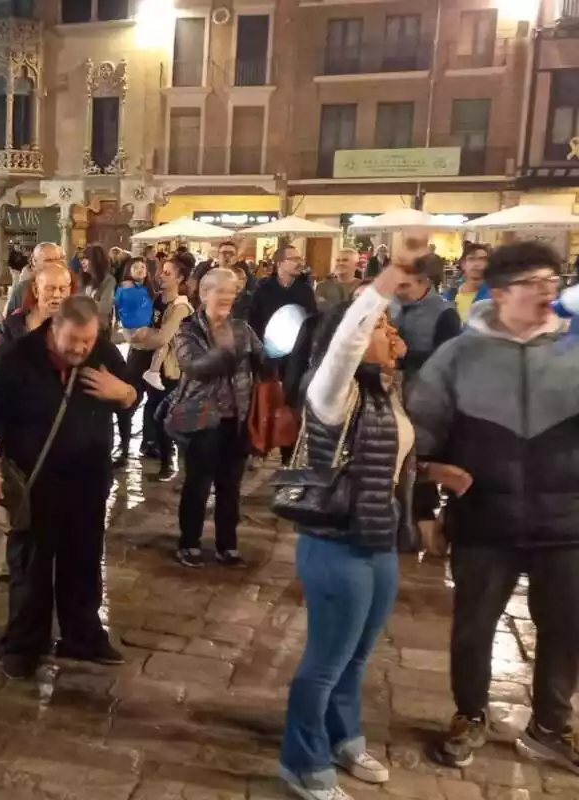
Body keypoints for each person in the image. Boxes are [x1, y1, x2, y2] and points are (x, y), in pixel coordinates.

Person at [408, 240, 579, 775]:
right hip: (484, 519)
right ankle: (470, 715)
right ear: (501, 293)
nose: (548, 292)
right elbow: (420, 434)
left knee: (566, 626)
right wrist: (424, 502)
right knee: (474, 625)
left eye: (554, 281)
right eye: (534, 283)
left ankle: (550, 726)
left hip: (567, 521)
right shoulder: (459, 355)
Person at [278, 264, 414, 800]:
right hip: (335, 544)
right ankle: (302, 761)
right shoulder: (332, 390)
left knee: (359, 655)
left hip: (378, 538)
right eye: (385, 327)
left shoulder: (383, 391)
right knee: (325, 661)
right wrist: (380, 287)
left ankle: (343, 737)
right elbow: (348, 340)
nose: (393, 333)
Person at [0, 295, 136, 679]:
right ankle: (23, 644)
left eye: (88, 341)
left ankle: (83, 636)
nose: (80, 349)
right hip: (34, 482)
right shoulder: (16, 358)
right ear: (53, 328)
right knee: (31, 566)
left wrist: (121, 393)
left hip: (89, 479)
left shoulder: (104, 353)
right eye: (73, 341)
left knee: (84, 561)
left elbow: (131, 396)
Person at [0, 260, 74, 603]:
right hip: (11, 431)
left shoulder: (77, 327)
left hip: (57, 437)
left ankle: (37, 573)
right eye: (51, 288)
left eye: (63, 288)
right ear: (36, 291)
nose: (57, 295)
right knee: (5, 507)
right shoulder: (15, 326)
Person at [173, 267, 264, 569]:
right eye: (221, 291)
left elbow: (264, 358)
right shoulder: (188, 330)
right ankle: (189, 542)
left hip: (236, 418)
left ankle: (228, 545)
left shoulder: (241, 328)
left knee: (231, 486)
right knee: (197, 485)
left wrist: (277, 352)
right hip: (202, 420)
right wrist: (224, 353)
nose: (228, 297)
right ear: (204, 293)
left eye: (232, 292)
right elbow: (193, 365)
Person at [130, 256, 194, 481]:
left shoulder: (181, 307)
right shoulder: (157, 300)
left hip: (171, 370)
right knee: (155, 412)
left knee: (167, 416)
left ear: (180, 278)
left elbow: (163, 337)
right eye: (162, 271)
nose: (161, 276)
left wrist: (139, 340)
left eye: (168, 273)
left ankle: (171, 465)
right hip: (152, 366)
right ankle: (161, 457)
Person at [112, 256, 156, 466]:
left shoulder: (150, 289)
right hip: (138, 348)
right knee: (131, 399)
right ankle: (124, 446)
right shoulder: (125, 289)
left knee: (153, 400)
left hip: (153, 348)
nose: (139, 269)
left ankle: (149, 443)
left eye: (143, 267)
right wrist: (129, 332)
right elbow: (122, 313)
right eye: (135, 267)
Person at [390, 257, 461, 382]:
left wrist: (407, 355)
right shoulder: (391, 306)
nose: (397, 292)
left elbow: (449, 362)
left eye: (404, 286)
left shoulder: (445, 313)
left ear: (425, 283)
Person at [248, 244, 318, 338]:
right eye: (294, 259)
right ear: (279, 263)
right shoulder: (262, 290)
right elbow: (254, 323)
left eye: (300, 259)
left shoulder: (306, 291)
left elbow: (313, 322)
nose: (300, 263)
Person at [5, 242, 67, 316]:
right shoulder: (22, 289)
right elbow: (10, 322)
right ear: (34, 262)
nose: (55, 264)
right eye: (48, 260)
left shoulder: (72, 287)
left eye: (58, 260)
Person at [442, 243, 490, 323]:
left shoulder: (494, 298)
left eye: (482, 259)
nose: (477, 264)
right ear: (463, 264)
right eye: (471, 259)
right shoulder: (450, 295)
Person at [80, 244, 116, 330]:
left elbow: (104, 307)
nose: (83, 262)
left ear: (97, 260)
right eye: (82, 259)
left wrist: (83, 304)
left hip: (100, 328)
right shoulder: (86, 280)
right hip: (84, 325)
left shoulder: (108, 280)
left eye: (87, 259)